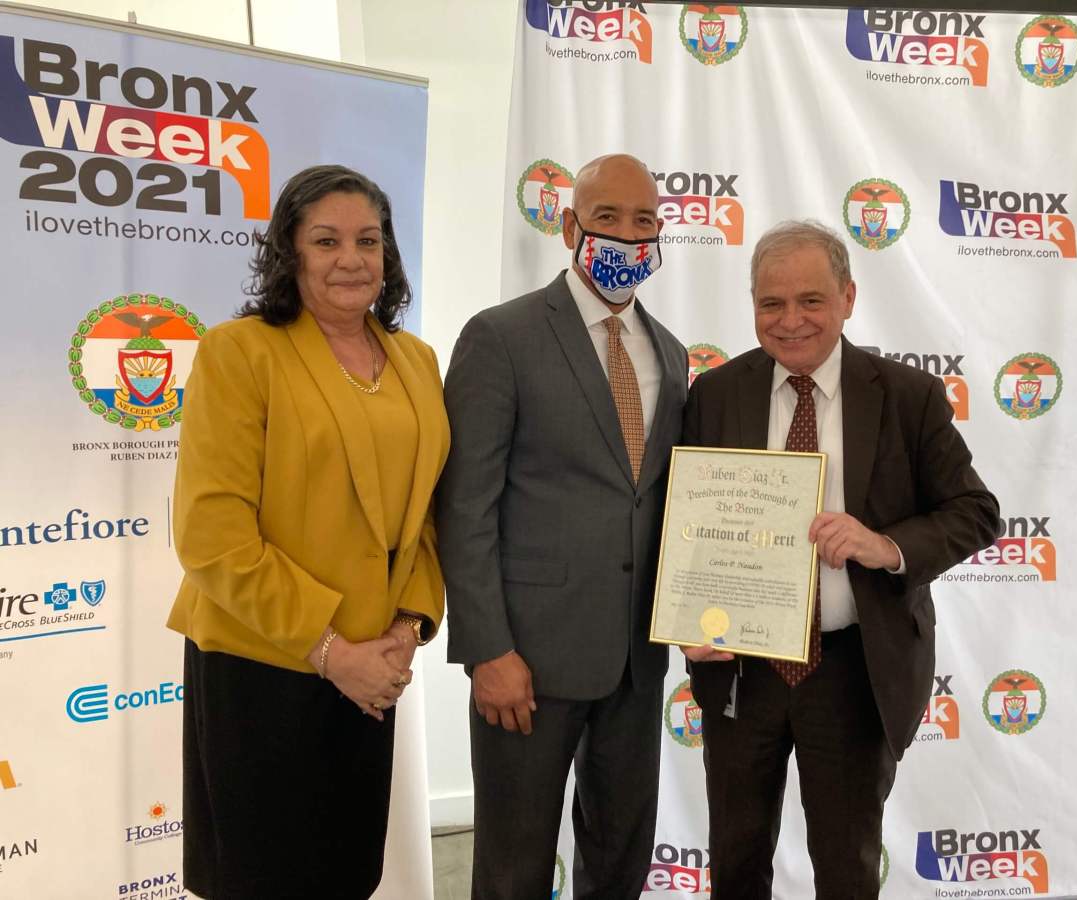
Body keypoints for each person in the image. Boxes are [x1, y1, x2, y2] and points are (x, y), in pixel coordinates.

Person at [683, 220, 1000, 899]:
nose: (790, 320)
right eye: (771, 303)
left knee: (847, 867)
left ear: (848, 298)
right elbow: (687, 522)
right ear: (752, 305)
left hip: (854, 668)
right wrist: (687, 616)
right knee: (735, 861)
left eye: (811, 300)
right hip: (741, 667)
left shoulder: (908, 396)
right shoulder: (714, 394)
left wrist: (886, 546)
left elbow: (976, 512)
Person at [167, 164, 450, 899]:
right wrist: (332, 652)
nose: (351, 259)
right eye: (327, 241)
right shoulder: (240, 351)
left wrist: (406, 629)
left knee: (346, 873)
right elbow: (211, 533)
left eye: (368, 240)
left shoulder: (417, 361)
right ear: (289, 253)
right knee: (264, 880)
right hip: (265, 664)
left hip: (374, 669)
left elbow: (427, 516)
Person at [436, 153, 689, 899]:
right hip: (526, 664)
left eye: (643, 221)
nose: (627, 236)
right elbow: (465, 507)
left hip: (637, 663)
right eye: (607, 217)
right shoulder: (501, 336)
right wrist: (487, 650)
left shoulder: (672, 353)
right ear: (570, 226)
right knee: (513, 870)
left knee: (619, 863)